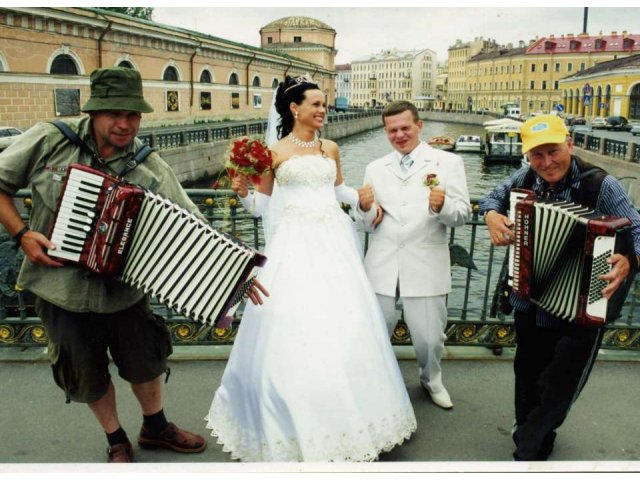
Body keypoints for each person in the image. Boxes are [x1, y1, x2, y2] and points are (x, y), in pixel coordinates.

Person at [0, 67, 267, 463]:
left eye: (134, 115)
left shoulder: (148, 165)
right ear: (93, 111)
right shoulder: (50, 139)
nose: (125, 124)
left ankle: (156, 426)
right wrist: (22, 233)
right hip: (60, 288)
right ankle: (116, 439)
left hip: (125, 291)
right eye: (114, 114)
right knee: (85, 374)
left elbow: (195, 225)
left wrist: (235, 275)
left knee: (145, 362)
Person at [205, 74, 417, 462]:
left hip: (335, 241)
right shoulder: (273, 152)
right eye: (316, 104)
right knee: (291, 320)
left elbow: (337, 191)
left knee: (348, 321)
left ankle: (355, 420)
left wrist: (364, 199)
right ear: (294, 108)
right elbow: (263, 207)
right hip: (294, 242)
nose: (323, 109)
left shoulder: (330, 148)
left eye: (324, 104)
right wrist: (243, 193)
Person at [479, 114, 640, 461]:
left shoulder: (601, 185)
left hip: (581, 305)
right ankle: (529, 427)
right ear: (528, 156)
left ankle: (532, 443)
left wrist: (630, 260)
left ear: (569, 143)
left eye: (553, 151)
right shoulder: (524, 177)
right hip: (530, 300)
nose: (547, 163)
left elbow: (637, 229)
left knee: (561, 383)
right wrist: (492, 214)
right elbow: (491, 199)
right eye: (537, 155)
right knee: (527, 370)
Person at [354, 101, 471, 410]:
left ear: (419, 126)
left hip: (426, 261)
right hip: (382, 263)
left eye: (405, 127)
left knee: (429, 337)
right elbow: (365, 224)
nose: (399, 134)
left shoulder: (448, 163)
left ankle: (431, 379)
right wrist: (364, 209)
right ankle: (375, 383)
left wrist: (441, 206)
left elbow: (462, 215)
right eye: (392, 130)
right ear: (385, 132)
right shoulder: (375, 168)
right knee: (378, 331)